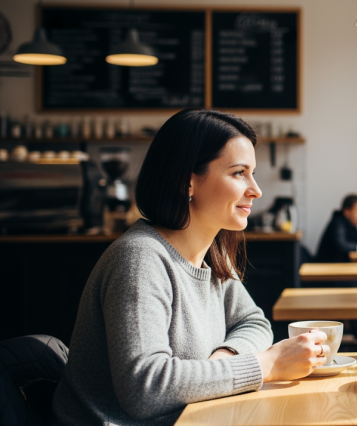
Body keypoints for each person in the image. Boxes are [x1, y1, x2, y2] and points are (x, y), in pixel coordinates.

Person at [53, 110, 330, 425]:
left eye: (252, 173)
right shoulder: (140, 259)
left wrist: (223, 362)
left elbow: (254, 323)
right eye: (239, 173)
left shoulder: (212, 255)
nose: (256, 189)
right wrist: (266, 364)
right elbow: (146, 389)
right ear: (187, 181)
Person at [314, 194, 357, 263]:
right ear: (347, 212)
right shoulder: (338, 223)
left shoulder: (352, 226)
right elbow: (341, 246)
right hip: (327, 266)